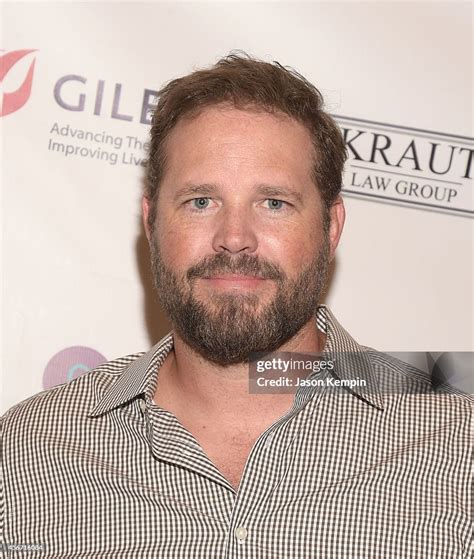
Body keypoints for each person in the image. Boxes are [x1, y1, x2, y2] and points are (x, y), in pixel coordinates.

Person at [1, 52, 471, 559]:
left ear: (330, 228)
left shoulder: (456, 444)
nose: (233, 239)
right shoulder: (27, 451)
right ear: (151, 222)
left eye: (274, 203)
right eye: (201, 201)